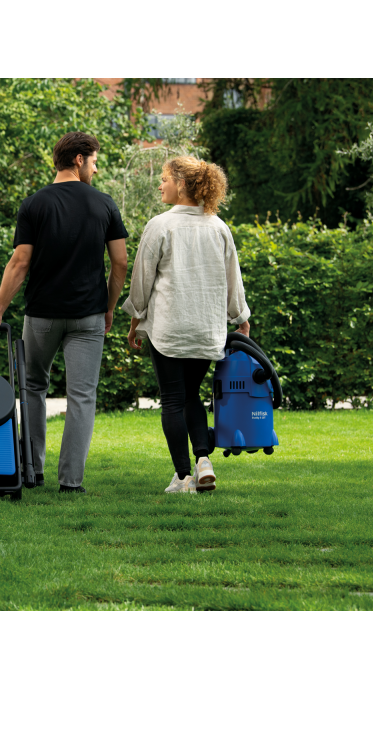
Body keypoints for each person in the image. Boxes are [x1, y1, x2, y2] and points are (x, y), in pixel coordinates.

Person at [0, 132, 129, 494]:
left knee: (32, 387)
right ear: (79, 159)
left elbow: (20, 263)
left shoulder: (34, 204)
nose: (96, 168)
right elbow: (121, 263)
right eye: (94, 161)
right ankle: (71, 482)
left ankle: (33, 471)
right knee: (82, 395)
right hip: (88, 316)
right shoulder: (104, 204)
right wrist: (109, 308)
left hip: (42, 316)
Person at [122, 155, 250, 494]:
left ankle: (182, 478)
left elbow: (141, 282)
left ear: (181, 184)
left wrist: (135, 321)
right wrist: (241, 318)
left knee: (172, 400)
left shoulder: (160, 225)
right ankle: (203, 460)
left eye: (164, 179)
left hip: (169, 329)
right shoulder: (219, 227)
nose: (160, 185)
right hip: (207, 330)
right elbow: (233, 280)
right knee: (191, 395)